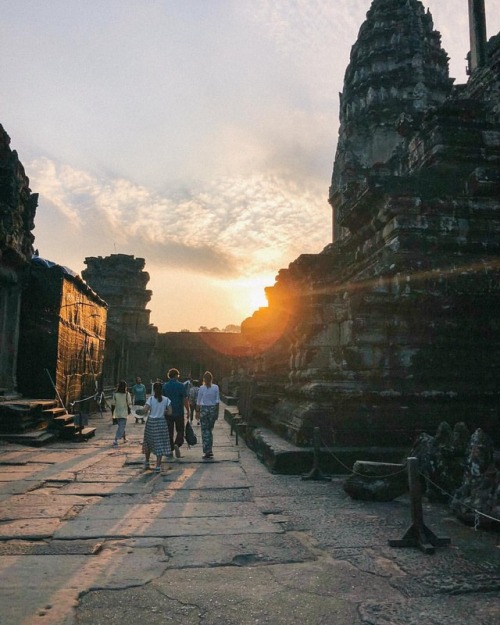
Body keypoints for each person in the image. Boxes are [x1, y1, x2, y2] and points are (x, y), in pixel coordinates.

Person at [142, 381, 172, 473]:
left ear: (154, 389)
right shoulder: (166, 399)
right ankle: (158, 466)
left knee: (148, 442)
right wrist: (163, 411)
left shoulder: (150, 399)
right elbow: (170, 412)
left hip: (151, 423)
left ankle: (147, 462)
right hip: (161, 422)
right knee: (160, 443)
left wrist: (138, 411)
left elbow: (145, 410)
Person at [162, 368, 189, 458]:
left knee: (169, 431)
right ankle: (177, 443)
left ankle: (170, 450)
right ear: (177, 375)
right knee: (180, 430)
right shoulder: (181, 386)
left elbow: (162, 399)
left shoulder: (165, 386)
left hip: (168, 412)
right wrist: (188, 410)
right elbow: (185, 399)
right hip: (179, 411)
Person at [196, 371, 220, 459]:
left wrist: (197, 412)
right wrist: (217, 413)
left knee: (204, 431)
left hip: (204, 409)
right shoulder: (216, 387)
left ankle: (207, 450)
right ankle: (209, 450)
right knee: (209, 430)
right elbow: (217, 401)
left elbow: (198, 401)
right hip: (212, 409)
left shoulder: (201, 388)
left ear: (204, 379)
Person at [110, 380, 131, 447]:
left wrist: (112, 414)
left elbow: (113, 404)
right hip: (124, 412)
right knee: (122, 426)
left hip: (117, 412)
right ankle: (115, 439)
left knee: (121, 426)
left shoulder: (115, 394)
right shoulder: (127, 394)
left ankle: (124, 438)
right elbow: (129, 403)